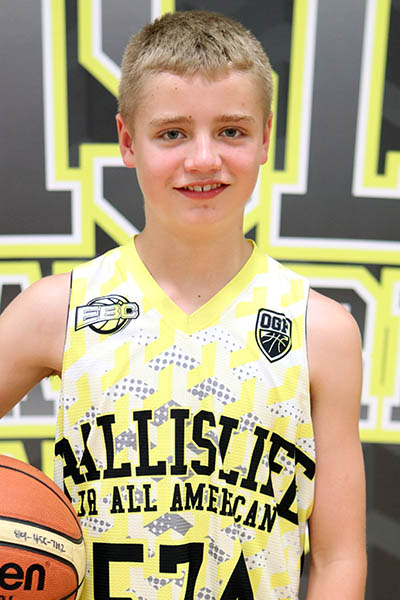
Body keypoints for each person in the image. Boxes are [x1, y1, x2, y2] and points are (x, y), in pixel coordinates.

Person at [0, 10, 366, 600]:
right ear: (128, 141)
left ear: (265, 137)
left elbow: (338, 557)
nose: (203, 159)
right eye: (172, 133)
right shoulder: (59, 308)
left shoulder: (318, 329)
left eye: (231, 131)